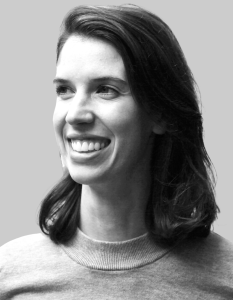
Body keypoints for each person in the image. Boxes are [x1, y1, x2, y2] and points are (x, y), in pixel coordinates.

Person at [0, 4, 232, 299]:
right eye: (64, 90)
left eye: (105, 89)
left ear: (161, 112)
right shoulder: (9, 274)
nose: (75, 115)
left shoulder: (225, 279)